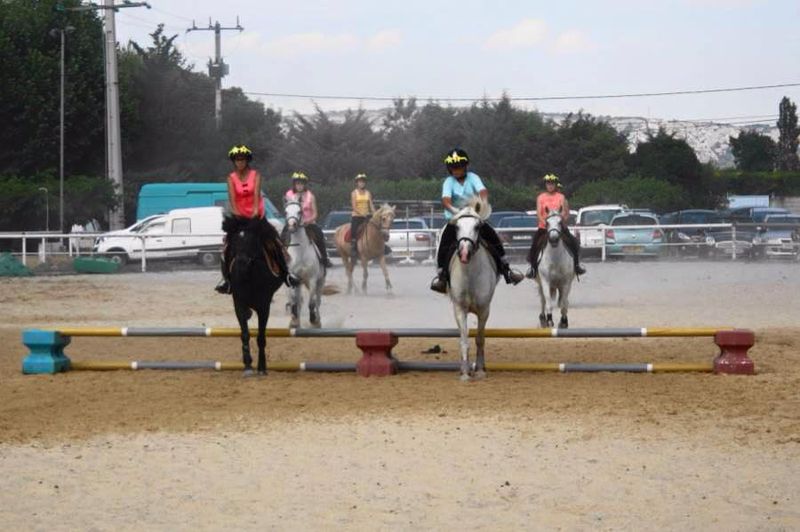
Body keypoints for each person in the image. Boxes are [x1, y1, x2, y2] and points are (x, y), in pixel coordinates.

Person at [429, 148, 524, 293]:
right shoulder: (448, 182)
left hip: (474, 217)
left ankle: (506, 269)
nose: (456, 170)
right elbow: (446, 201)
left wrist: (482, 204)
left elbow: (483, 191)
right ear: (449, 169)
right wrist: (457, 212)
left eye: (459, 166)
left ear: (465, 166)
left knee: (492, 235)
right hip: (455, 220)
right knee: (444, 241)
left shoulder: (473, 177)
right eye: (453, 167)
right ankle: (441, 276)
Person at [215, 144, 296, 294]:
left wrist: (254, 213)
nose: (240, 162)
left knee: (274, 242)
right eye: (237, 160)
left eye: (242, 159)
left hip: (256, 215)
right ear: (234, 161)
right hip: (239, 217)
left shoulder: (256, 175)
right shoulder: (231, 178)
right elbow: (232, 200)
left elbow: (256, 196)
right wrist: (238, 215)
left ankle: (286, 275)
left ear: (247, 161)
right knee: (226, 246)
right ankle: (226, 281)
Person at [526, 173, 586, 279]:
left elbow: (565, 212)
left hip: (559, 227)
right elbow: (539, 213)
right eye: (548, 184)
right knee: (534, 246)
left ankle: (577, 266)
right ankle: (533, 268)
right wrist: (544, 222)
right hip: (544, 227)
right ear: (546, 185)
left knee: (574, 243)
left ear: (555, 185)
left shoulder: (561, 197)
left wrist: (560, 220)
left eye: (552, 184)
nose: (550, 186)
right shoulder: (541, 197)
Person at [282, 172, 333, 268]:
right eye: (297, 183)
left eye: (301, 184)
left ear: (304, 185)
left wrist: (307, 221)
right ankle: (280, 259)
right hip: (293, 222)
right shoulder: (289, 194)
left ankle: (324, 259)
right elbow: (287, 210)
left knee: (319, 235)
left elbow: (315, 214)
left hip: (308, 223)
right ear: (294, 184)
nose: (299, 186)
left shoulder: (310, 196)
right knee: (282, 237)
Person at [349, 173, 375, 258]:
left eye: (363, 182)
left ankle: (381, 246)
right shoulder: (354, 193)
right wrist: (361, 213)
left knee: (377, 227)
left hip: (367, 215)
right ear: (357, 183)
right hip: (357, 215)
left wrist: (375, 213)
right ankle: (353, 247)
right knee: (354, 229)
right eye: (360, 182)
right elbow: (354, 206)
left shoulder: (368, 193)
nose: (362, 183)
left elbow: (370, 204)